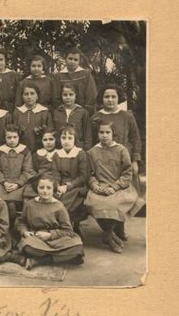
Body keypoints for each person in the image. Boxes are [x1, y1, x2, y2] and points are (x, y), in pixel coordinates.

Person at [84, 122, 145, 253]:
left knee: (113, 203)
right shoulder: (92, 152)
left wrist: (115, 187)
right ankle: (111, 235)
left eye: (108, 132)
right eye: (101, 132)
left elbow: (127, 172)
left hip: (120, 187)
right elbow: (90, 173)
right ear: (97, 134)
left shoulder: (121, 150)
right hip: (100, 187)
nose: (104, 136)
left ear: (113, 134)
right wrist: (94, 184)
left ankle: (108, 234)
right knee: (95, 203)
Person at [16, 173, 84, 269]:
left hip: (57, 239)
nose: (45, 191)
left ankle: (39, 261)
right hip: (36, 238)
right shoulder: (30, 204)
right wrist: (25, 232)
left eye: (48, 188)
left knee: (77, 247)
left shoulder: (59, 206)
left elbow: (68, 230)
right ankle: (62, 257)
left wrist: (50, 235)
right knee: (27, 247)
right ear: (37, 188)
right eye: (41, 188)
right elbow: (21, 221)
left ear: (54, 190)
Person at [91, 83, 142, 174]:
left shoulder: (127, 116)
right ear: (102, 99)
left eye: (113, 97)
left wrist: (135, 161)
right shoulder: (96, 117)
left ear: (119, 98)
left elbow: (135, 139)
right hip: (103, 160)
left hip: (124, 159)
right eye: (107, 97)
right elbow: (92, 140)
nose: (110, 100)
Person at [51, 124, 90, 235]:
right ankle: (59, 230)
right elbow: (55, 174)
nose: (66, 141)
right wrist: (57, 185)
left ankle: (72, 227)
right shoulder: (57, 154)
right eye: (63, 138)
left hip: (77, 186)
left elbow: (83, 177)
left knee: (67, 203)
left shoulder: (81, 154)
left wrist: (67, 186)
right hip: (61, 186)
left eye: (70, 138)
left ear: (75, 139)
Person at [0, 124, 34, 227]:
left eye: (15, 137)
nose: (12, 140)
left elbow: (27, 171)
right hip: (3, 184)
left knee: (12, 205)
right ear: (5, 138)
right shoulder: (0, 151)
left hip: (19, 185)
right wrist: (4, 182)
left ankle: (14, 227)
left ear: (19, 137)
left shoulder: (25, 151)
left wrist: (17, 184)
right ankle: (1, 228)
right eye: (9, 137)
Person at [52, 46, 97, 115]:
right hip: (64, 113)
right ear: (65, 59)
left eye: (75, 60)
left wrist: (85, 112)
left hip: (83, 112)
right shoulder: (58, 76)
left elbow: (91, 95)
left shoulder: (85, 74)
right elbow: (55, 97)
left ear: (79, 61)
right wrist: (63, 111)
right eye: (70, 59)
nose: (72, 62)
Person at [13, 83, 53, 153]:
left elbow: (50, 133)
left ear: (37, 96)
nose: (29, 97)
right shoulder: (17, 112)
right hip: (20, 151)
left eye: (32, 93)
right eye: (26, 94)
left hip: (40, 150)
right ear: (22, 96)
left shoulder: (44, 112)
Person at [52, 83, 92, 150]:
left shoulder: (83, 112)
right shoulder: (56, 112)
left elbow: (87, 134)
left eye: (71, 94)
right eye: (65, 95)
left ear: (76, 96)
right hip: (59, 148)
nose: (68, 97)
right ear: (61, 96)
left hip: (78, 148)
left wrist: (86, 149)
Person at [23, 128, 58, 201]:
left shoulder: (59, 154)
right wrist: (37, 178)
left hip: (54, 181)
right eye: (45, 140)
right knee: (27, 194)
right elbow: (30, 169)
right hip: (39, 180)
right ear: (41, 141)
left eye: (51, 139)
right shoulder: (37, 154)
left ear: (56, 140)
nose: (48, 142)